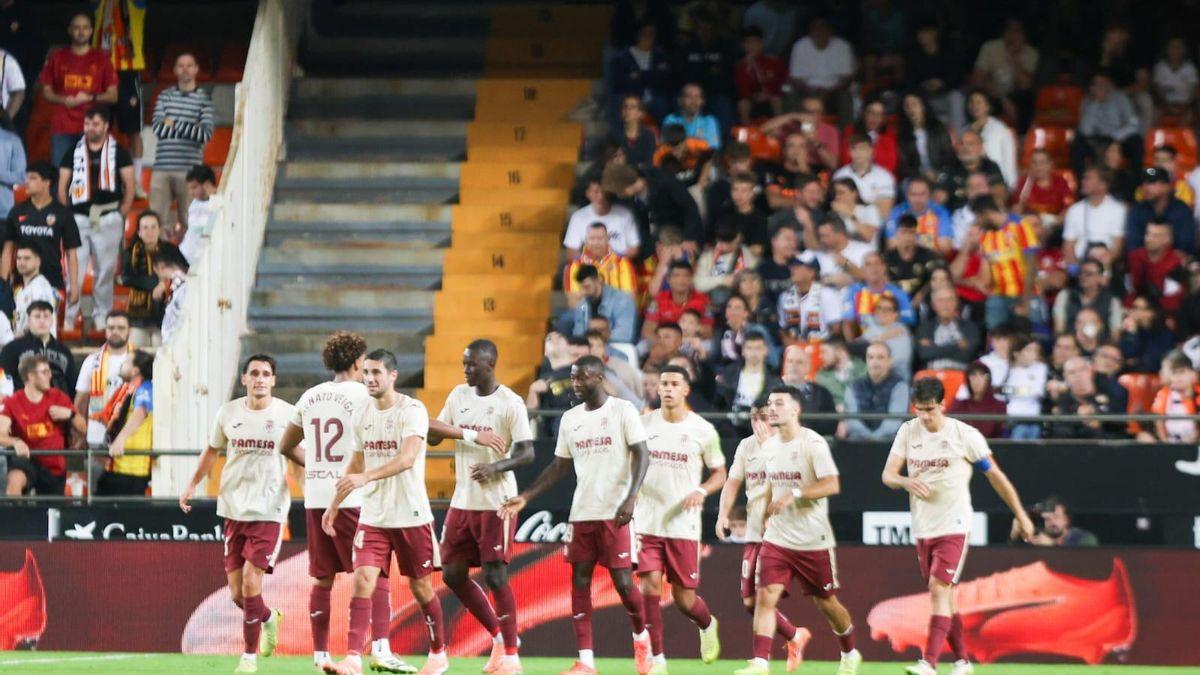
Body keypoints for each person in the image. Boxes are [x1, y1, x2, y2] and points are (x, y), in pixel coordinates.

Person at [499, 355, 653, 675]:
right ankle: (585, 661)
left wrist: (631, 496)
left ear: (598, 377)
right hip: (582, 512)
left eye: (581, 378)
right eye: (572, 378)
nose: (575, 384)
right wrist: (526, 496)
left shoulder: (622, 410)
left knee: (623, 583)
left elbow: (641, 453)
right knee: (579, 582)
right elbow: (559, 466)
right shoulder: (570, 419)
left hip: (615, 512)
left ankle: (642, 639)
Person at [271, 333, 415, 674]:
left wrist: (319, 467)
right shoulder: (365, 393)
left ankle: (320, 656)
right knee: (374, 573)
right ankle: (380, 648)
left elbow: (286, 445)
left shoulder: (309, 397)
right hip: (355, 497)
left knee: (323, 578)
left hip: (318, 497)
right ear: (356, 364)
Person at [882, 376, 1036, 675]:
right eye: (919, 410)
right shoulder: (908, 431)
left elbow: (995, 476)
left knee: (938, 589)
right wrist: (904, 481)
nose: (924, 417)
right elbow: (887, 475)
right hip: (923, 526)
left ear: (943, 405)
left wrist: (1021, 514)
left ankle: (928, 662)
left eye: (930, 409)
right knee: (944, 596)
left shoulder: (965, 436)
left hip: (954, 524)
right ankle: (963, 662)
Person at [322, 350, 449, 675]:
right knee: (363, 580)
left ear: (393, 375)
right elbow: (356, 464)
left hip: (410, 514)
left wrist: (365, 477)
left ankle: (438, 654)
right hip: (374, 516)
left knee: (420, 587)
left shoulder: (412, 410)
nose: (370, 379)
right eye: (365, 372)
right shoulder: (362, 413)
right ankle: (352, 658)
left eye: (376, 372)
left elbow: (407, 458)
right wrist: (334, 505)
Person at [178, 354, 295, 674]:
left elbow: (299, 458)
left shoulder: (287, 414)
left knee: (250, 582)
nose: (259, 379)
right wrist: (191, 484)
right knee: (236, 594)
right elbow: (212, 451)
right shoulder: (228, 413)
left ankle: (248, 657)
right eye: (254, 373)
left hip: (269, 510)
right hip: (232, 508)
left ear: (273, 380)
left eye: (266, 374)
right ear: (244, 379)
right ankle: (270, 617)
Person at [733, 385, 862, 675]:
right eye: (770, 404)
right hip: (778, 538)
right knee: (765, 596)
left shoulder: (813, 443)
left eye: (779, 403)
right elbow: (769, 484)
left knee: (826, 602)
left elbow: (832, 484)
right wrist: (765, 512)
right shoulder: (770, 446)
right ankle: (760, 662)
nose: (772, 409)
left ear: (795, 409)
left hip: (811, 539)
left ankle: (850, 651)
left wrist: (796, 492)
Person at [427, 340, 534, 675]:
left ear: (490, 365)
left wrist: (495, 467)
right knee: (452, 574)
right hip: (463, 500)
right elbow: (432, 433)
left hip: (496, 501)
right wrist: (467, 434)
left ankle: (512, 656)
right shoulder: (458, 395)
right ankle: (499, 637)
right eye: (463, 363)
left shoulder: (509, 403)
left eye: (472, 364)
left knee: (495, 574)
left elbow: (528, 453)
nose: (466, 370)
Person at [636, 366, 726, 670]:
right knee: (648, 585)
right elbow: (628, 463)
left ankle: (706, 624)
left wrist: (702, 489)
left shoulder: (702, 429)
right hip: (647, 521)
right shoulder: (642, 424)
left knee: (684, 599)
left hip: (683, 524)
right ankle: (657, 658)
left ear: (686, 390)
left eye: (674, 384)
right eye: (664, 384)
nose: (668, 389)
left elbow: (720, 473)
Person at [716, 400, 812, 670]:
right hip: (754, 532)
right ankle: (795, 635)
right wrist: (723, 514)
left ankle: (760, 661)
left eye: (764, 417)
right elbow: (732, 481)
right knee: (750, 602)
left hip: (781, 534)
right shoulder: (746, 446)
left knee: (765, 597)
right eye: (754, 418)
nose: (759, 424)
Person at [58, 106, 134, 330]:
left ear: (106, 126)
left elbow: (129, 185)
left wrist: (121, 212)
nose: (90, 128)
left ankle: (103, 318)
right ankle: (70, 318)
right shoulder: (73, 150)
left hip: (108, 215)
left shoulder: (118, 151)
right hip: (78, 218)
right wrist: (66, 216)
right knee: (74, 271)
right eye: (87, 124)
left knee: (106, 270)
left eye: (95, 124)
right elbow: (63, 186)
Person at [38, 12, 117, 165]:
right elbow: (46, 91)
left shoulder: (102, 59)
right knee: (61, 173)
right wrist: (63, 100)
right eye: (76, 28)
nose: (81, 32)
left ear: (91, 31)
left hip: (92, 125)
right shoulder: (57, 56)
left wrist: (90, 97)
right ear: (69, 30)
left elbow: (113, 95)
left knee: (92, 175)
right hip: (62, 126)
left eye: (85, 28)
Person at [149, 51, 214, 236]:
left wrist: (174, 123)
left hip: (190, 170)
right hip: (161, 168)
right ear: (175, 70)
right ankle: (157, 263)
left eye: (189, 65)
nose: (185, 69)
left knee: (191, 221)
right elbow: (158, 129)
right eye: (181, 65)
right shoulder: (164, 96)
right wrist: (190, 126)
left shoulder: (204, 99)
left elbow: (204, 134)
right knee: (155, 222)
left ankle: (190, 265)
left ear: (196, 70)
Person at [1, 353, 83, 495]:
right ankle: (15, 516)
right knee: (14, 479)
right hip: (27, 460)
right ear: (31, 376)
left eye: (49, 371)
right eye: (45, 372)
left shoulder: (58, 396)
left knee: (52, 511)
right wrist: (15, 441)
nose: (50, 376)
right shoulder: (12, 402)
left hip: (54, 466)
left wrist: (70, 414)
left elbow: (84, 427)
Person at [3, 162, 80, 304]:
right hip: (21, 283)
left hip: (53, 282)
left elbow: (71, 253)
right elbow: (7, 251)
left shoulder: (63, 213)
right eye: (27, 178)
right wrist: (3, 284)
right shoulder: (17, 211)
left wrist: (74, 285)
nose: (27, 182)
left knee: (48, 324)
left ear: (46, 183)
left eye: (32, 178)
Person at [93, 0, 147, 198]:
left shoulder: (135, 3)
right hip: (100, 71)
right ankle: (100, 179)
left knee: (133, 131)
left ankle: (136, 181)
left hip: (128, 70)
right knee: (98, 128)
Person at [120, 210, 182, 346]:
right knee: (139, 354)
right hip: (138, 316)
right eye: (145, 228)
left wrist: (164, 284)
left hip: (166, 313)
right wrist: (155, 284)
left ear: (159, 229)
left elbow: (184, 272)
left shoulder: (171, 250)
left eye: (153, 227)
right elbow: (126, 278)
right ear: (139, 232)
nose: (150, 231)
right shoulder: (131, 252)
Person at [975, 199, 1039, 330]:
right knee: (996, 334)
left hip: (1025, 293)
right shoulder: (984, 235)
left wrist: (1025, 301)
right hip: (998, 296)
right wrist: (983, 283)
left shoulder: (1020, 225)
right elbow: (987, 269)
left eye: (978, 217)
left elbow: (1031, 265)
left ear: (985, 213)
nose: (977, 222)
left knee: (1032, 334)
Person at [97, 349, 153, 495]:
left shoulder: (145, 387)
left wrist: (121, 439)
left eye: (127, 362)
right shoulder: (126, 389)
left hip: (132, 471)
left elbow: (141, 412)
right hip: (115, 466)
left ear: (135, 370)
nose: (122, 364)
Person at [72, 310, 131, 451]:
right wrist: (80, 434)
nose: (115, 331)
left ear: (130, 331)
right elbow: (80, 401)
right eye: (111, 328)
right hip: (97, 437)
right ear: (105, 331)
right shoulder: (92, 361)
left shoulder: (140, 360)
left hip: (130, 438)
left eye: (121, 328)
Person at [969, 18, 1037, 132]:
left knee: (1026, 98)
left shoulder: (1031, 53)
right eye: (1010, 30)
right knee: (979, 98)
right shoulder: (990, 48)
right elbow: (977, 80)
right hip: (993, 95)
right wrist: (1002, 99)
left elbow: (1025, 85)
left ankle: (1022, 138)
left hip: (1016, 98)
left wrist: (1014, 59)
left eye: (1017, 31)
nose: (1012, 35)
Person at [1073, 72, 1143, 177]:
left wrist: (1116, 138)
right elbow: (1085, 130)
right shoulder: (1087, 101)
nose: (1100, 88)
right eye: (1096, 85)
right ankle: (1082, 183)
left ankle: (1134, 182)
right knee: (1077, 145)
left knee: (1137, 142)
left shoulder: (1120, 98)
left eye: (1103, 84)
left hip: (1118, 138)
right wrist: (1095, 103)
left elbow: (1133, 124)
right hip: (1096, 140)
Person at [786, 17, 855, 125]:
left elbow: (847, 78)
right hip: (807, 91)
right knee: (791, 95)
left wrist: (829, 91)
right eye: (816, 29)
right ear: (810, 31)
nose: (819, 32)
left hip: (834, 92)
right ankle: (792, 130)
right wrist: (811, 91)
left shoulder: (842, 46)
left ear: (830, 31)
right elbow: (795, 78)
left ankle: (846, 133)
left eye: (823, 28)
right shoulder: (800, 46)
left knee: (845, 97)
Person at [0, 300, 75, 395]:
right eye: (37, 316)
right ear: (28, 320)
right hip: (23, 405)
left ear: (52, 320)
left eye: (46, 316)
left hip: (57, 404)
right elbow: (3, 382)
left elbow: (72, 385)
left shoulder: (64, 351)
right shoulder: (12, 349)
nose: (42, 321)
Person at [1048, 356, 1127, 439]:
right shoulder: (1063, 403)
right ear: (1065, 377)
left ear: (1090, 371)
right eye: (1072, 372)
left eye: (1082, 370)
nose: (1078, 376)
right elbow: (1061, 435)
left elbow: (1121, 424)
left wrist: (1098, 420)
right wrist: (1079, 419)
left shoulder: (1108, 392)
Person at [557, 264, 637, 346]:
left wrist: (596, 341)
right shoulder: (582, 304)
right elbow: (578, 334)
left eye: (587, 287)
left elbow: (624, 335)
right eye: (581, 288)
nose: (583, 292)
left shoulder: (623, 300)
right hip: (589, 348)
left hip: (616, 347)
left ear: (599, 280)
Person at [842, 342, 908, 441]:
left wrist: (875, 438)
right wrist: (869, 437)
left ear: (890, 361)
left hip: (890, 442)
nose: (875, 362)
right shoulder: (853, 386)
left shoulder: (900, 386)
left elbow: (895, 420)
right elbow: (852, 420)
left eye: (880, 357)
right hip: (859, 441)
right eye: (870, 357)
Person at [1126, 166, 1196, 258]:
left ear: (1167, 186)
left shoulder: (1182, 210)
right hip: (1144, 265)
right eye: (1144, 183)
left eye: (1151, 183)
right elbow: (1133, 246)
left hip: (1175, 265)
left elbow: (1184, 247)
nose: (1145, 187)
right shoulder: (1137, 210)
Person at [609, 24, 672, 124]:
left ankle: (663, 138)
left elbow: (663, 79)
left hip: (654, 97)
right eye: (645, 34)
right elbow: (621, 83)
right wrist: (650, 75)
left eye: (652, 34)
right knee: (620, 102)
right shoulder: (622, 57)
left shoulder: (660, 55)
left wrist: (640, 76)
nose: (649, 37)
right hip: (631, 96)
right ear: (638, 35)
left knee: (662, 102)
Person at [564, 180, 641, 259]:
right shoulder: (578, 217)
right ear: (588, 193)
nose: (601, 196)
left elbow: (634, 248)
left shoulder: (625, 215)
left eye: (604, 192)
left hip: (618, 266)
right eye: (596, 192)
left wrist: (615, 260)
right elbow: (571, 251)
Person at [842, 252, 915, 336]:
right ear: (862, 270)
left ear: (884, 267)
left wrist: (887, 316)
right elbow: (848, 322)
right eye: (868, 264)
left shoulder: (898, 293)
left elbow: (909, 319)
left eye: (877, 263)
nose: (873, 267)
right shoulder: (853, 292)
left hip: (892, 337)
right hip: (864, 341)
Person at [715, 332, 779, 423]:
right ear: (743, 351)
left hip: (761, 425)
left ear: (766, 351)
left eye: (758, 348)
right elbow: (719, 404)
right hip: (731, 427)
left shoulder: (774, 380)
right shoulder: (728, 374)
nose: (753, 353)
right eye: (749, 348)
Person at [1126, 220, 1186, 317]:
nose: (1148, 239)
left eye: (1155, 236)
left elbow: (1172, 301)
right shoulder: (1134, 257)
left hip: (1163, 316)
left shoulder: (1175, 263)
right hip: (1134, 311)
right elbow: (1130, 290)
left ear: (1167, 240)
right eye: (1148, 234)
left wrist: (1147, 313)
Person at [777, 255, 842, 344]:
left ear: (811, 272)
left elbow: (836, 329)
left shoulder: (827, 294)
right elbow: (783, 328)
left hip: (822, 347)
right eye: (792, 266)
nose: (792, 269)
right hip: (795, 350)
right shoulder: (785, 296)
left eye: (797, 267)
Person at [563, 222, 638, 299]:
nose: (596, 243)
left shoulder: (623, 263)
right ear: (586, 240)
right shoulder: (574, 265)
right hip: (586, 310)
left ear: (607, 239)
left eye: (600, 238)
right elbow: (573, 302)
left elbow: (630, 300)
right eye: (592, 238)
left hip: (617, 309)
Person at [832, 134, 896, 221]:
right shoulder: (840, 175)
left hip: (875, 226)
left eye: (862, 148)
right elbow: (838, 206)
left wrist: (854, 211)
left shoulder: (885, 177)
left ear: (871, 151)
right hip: (845, 224)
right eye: (854, 148)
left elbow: (884, 212)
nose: (858, 153)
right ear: (849, 151)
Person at [1052, 258, 1122, 338]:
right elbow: (1059, 328)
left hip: (1099, 346)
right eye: (1081, 273)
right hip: (1070, 344)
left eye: (1089, 274)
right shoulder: (1065, 295)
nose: (1083, 277)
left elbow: (1115, 334)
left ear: (1100, 277)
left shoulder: (1112, 301)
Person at [896, 91, 956, 183]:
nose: (911, 108)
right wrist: (922, 174)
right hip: (916, 177)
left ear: (923, 106)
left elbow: (949, 156)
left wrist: (938, 174)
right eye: (907, 105)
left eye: (914, 104)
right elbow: (904, 166)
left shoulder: (938, 128)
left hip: (941, 174)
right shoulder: (903, 135)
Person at [779, 344, 838, 436]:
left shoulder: (822, 393)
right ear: (784, 365)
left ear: (808, 367)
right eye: (790, 361)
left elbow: (831, 424)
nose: (793, 366)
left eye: (799, 362)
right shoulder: (770, 390)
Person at [916, 288, 980, 372]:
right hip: (931, 377)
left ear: (956, 303)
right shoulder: (925, 327)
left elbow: (967, 355)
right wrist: (957, 346)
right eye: (940, 300)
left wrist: (934, 348)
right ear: (933, 305)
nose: (945, 304)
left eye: (950, 299)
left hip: (961, 376)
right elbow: (923, 354)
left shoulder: (970, 327)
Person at [885, 177, 953, 255]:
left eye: (922, 194)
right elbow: (892, 246)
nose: (917, 199)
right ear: (907, 195)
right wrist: (925, 242)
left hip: (931, 260)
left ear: (929, 195)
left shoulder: (940, 212)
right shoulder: (896, 212)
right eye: (913, 194)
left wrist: (909, 240)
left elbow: (945, 248)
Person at [963, 91, 1017, 188]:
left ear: (988, 106)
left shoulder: (1001, 130)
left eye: (979, 102)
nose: (974, 105)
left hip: (996, 180)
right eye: (971, 102)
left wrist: (1010, 186)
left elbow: (1008, 163)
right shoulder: (965, 130)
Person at [1145, 352, 1200, 444]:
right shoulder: (1163, 395)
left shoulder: (1197, 394)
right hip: (1171, 445)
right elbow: (1158, 421)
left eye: (1182, 372)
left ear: (1193, 374)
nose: (1178, 377)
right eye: (1174, 373)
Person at [885, 217, 941, 305]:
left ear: (916, 235)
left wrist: (921, 295)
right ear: (896, 234)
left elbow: (937, 278)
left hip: (923, 304)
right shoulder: (886, 258)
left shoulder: (928, 256)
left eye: (911, 232)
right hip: (893, 304)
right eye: (903, 232)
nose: (907, 237)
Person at [734, 27, 785, 124]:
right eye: (748, 43)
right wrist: (747, 68)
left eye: (755, 43)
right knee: (743, 103)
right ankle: (747, 132)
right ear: (743, 46)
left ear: (761, 44)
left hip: (771, 98)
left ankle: (780, 129)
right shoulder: (740, 66)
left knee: (776, 99)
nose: (751, 46)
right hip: (752, 100)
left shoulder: (774, 62)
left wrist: (769, 93)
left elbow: (781, 83)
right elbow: (742, 90)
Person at [1013, 149, 1073, 229]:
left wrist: (1058, 221)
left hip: (1054, 226)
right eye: (1034, 163)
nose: (1038, 166)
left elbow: (1068, 209)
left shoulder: (1061, 182)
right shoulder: (1024, 183)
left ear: (1050, 164)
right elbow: (1015, 209)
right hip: (1030, 225)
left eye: (1042, 162)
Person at [838, 98, 899, 176]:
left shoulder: (889, 136)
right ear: (864, 113)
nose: (875, 117)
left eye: (879, 114)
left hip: (881, 179)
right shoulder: (850, 132)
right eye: (871, 112)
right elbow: (846, 160)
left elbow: (891, 164)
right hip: (853, 177)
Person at [947, 361, 1007, 438]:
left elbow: (1000, 435)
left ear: (988, 379)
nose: (977, 380)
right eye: (973, 375)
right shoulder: (959, 405)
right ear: (968, 379)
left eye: (982, 375)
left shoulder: (999, 406)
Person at [1004, 338, 1048, 440]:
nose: (1033, 354)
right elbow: (1003, 391)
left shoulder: (1041, 368)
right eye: (1029, 350)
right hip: (1013, 417)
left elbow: (1038, 391)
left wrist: (1015, 390)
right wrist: (1027, 390)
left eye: (1035, 350)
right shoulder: (1008, 369)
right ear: (1017, 353)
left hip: (1034, 416)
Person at [11, 244, 58, 337]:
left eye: (27, 258)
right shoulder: (20, 291)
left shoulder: (40, 286)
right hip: (25, 345)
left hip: (39, 345)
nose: (22, 262)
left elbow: (40, 321)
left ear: (38, 261)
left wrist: (17, 338)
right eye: (19, 258)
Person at [1119, 296, 1176, 374]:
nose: (1133, 311)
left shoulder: (1164, 334)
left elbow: (1154, 361)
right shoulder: (1132, 331)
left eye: (1137, 308)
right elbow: (1126, 356)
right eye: (1133, 307)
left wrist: (1136, 361)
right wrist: (1132, 333)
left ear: (1151, 313)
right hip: (1131, 374)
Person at [180, 164, 222, 265]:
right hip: (187, 254)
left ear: (207, 184)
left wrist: (213, 196)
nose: (191, 192)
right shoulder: (194, 204)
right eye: (189, 188)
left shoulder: (221, 201)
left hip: (205, 258)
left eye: (194, 187)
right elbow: (194, 226)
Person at [662, 82, 721, 149]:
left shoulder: (709, 121)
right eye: (689, 96)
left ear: (703, 101)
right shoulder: (671, 120)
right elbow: (670, 148)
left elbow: (713, 149)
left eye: (697, 97)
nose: (694, 101)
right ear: (680, 100)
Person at [1027, 496, 1100, 547]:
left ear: (1066, 520)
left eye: (1056, 517)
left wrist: (1051, 546)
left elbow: (1085, 561)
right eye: (1047, 519)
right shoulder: (1040, 538)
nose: (1052, 522)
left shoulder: (1084, 538)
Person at [827, 178, 880, 246]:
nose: (837, 197)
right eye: (835, 193)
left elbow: (868, 236)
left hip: (866, 252)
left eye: (841, 193)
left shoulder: (869, 210)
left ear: (854, 194)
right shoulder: (832, 214)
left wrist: (851, 215)